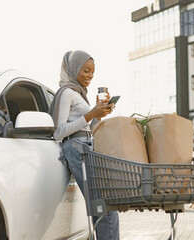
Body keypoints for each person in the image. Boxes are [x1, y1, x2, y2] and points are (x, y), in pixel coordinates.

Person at [49, 50, 119, 240]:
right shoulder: (67, 93)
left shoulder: (80, 94)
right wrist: (90, 114)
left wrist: (98, 113)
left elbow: (89, 126)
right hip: (76, 149)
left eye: (93, 72)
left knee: (104, 207)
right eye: (86, 71)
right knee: (104, 207)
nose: (90, 76)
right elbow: (59, 132)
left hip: (87, 148)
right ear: (73, 69)